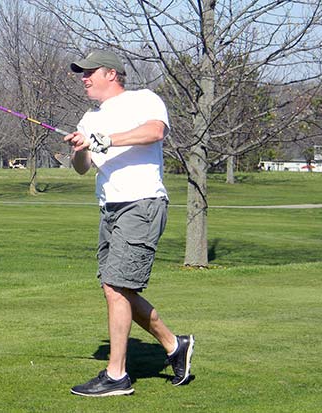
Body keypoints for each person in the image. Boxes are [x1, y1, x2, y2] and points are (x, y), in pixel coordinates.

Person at [64, 50, 194, 397]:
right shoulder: (89, 118)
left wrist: (107, 139)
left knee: (116, 287)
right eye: (82, 73)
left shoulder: (143, 100)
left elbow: (155, 131)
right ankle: (174, 345)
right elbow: (81, 167)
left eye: (89, 72)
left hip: (142, 202)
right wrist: (80, 147)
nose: (84, 78)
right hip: (110, 208)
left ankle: (117, 375)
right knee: (117, 288)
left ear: (112, 73)